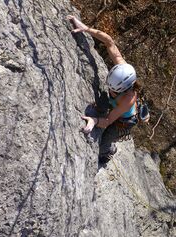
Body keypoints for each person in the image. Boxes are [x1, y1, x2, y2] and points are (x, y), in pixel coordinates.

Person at [67, 15, 140, 164]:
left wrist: (93, 121)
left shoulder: (127, 99)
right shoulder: (123, 67)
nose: (110, 91)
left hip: (124, 120)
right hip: (117, 108)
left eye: (114, 90)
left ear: (122, 90)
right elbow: (109, 42)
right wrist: (86, 29)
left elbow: (107, 121)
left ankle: (109, 151)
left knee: (103, 147)